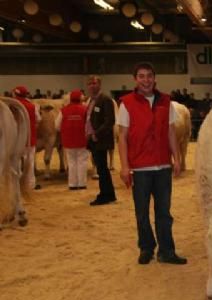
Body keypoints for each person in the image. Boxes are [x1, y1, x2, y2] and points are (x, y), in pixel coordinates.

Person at [117, 62, 187, 265]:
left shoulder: (166, 101)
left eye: (149, 76)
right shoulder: (126, 103)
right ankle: (146, 247)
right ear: (135, 79)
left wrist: (177, 158)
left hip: (162, 167)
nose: (146, 80)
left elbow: (171, 131)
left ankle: (166, 251)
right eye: (141, 76)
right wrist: (124, 166)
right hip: (140, 168)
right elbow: (122, 137)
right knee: (142, 212)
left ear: (154, 78)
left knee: (164, 213)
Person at [86, 75, 116, 205]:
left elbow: (110, 121)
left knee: (102, 169)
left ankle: (105, 195)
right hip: (93, 140)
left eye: (94, 83)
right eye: (90, 84)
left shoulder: (105, 100)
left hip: (101, 140)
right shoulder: (91, 101)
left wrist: (96, 134)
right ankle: (108, 194)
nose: (92, 86)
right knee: (101, 168)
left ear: (99, 85)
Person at [55, 89, 88, 190]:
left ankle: (72, 184)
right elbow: (89, 125)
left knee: (71, 162)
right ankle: (82, 183)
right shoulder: (85, 109)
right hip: (82, 140)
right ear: (80, 98)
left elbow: (57, 126)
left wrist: (65, 130)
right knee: (82, 161)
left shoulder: (63, 110)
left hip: (68, 141)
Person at [13, 86, 41, 190]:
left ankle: (16, 184)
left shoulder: (10, 105)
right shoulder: (32, 106)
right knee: (29, 162)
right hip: (29, 138)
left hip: (14, 140)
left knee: (15, 162)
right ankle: (30, 184)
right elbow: (38, 119)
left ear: (15, 94)